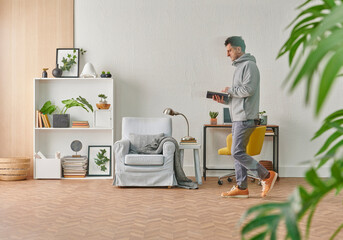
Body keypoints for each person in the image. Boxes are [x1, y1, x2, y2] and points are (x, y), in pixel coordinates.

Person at [213, 36, 277, 198]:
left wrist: (230, 90)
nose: (227, 54)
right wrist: (224, 99)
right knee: (238, 152)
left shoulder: (249, 66)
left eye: (229, 50)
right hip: (238, 117)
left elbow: (249, 90)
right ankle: (242, 187)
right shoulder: (239, 68)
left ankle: (267, 176)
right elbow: (240, 96)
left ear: (238, 49)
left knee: (236, 152)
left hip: (245, 118)